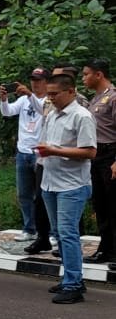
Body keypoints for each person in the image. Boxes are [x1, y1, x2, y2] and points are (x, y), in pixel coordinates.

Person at [35, 73, 96, 303]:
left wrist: (54, 151)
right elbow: (47, 145)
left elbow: (90, 151)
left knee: (68, 233)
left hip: (72, 185)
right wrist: (42, 153)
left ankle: (74, 285)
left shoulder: (82, 116)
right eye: (48, 94)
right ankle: (71, 278)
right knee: (59, 233)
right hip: (50, 181)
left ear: (71, 91)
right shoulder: (52, 115)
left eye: (54, 94)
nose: (50, 98)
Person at [0, 68, 52, 245]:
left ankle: (49, 232)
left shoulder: (50, 100)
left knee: (43, 195)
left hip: (40, 154)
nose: (35, 83)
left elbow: (43, 111)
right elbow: (7, 112)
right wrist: (4, 100)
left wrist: (30, 95)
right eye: (32, 80)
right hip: (23, 152)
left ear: (46, 81)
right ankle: (29, 228)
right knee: (24, 194)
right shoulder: (22, 100)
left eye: (38, 80)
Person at [82, 59, 116, 264]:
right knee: (101, 204)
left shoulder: (113, 97)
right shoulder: (95, 99)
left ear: (99, 75)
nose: (84, 78)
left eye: (86, 74)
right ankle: (106, 248)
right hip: (97, 155)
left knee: (113, 205)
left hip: (111, 154)